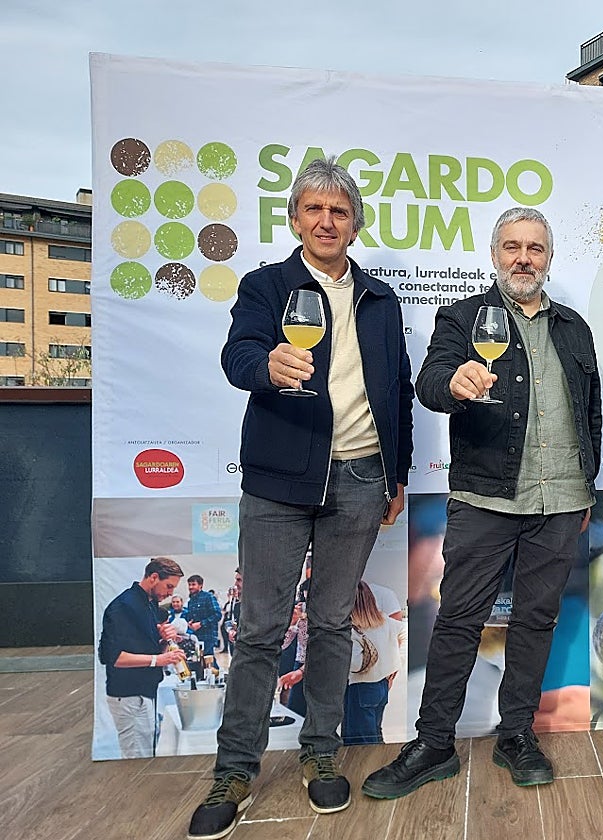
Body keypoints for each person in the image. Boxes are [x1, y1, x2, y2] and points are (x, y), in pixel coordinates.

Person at [187, 156, 415, 840]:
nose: (326, 220)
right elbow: (238, 357)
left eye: (338, 211)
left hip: (359, 479)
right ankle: (235, 769)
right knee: (259, 628)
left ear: (354, 224)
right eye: (313, 209)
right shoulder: (266, 287)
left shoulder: (380, 299)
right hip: (279, 484)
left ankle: (321, 754)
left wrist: (395, 474)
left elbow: (397, 390)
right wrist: (266, 368)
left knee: (331, 624)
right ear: (294, 220)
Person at [361, 207, 602, 800]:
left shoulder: (574, 327)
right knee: (460, 620)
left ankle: (515, 734)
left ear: (549, 258)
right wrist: (457, 382)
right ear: (494, 254)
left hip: (562, 499)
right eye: (512, 247)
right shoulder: (464, 317)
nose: (524, 258)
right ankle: (434, 742)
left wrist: (588, 481)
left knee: (535, 619)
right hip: (485, 498)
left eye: (535, 249)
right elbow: (431, 381)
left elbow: (591, 407)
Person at [97, 557, 187, 758]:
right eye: (169, 586)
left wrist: (164, 642)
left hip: (145, 692)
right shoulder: (123, 607)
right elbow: (114, 658)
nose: (171, 593)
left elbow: (149, 648)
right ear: (154, 577)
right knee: (136, 760)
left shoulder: (150, 605)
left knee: (146, 755)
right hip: (128, 694)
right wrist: (158, 660)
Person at [343, 580, 405, 745]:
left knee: (359, 742)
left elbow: (355, 665)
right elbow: (404, 634)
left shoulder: (352, 630)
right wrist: (395, 663)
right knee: (375, 733)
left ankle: (364, 770)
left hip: (360, 688)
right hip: (382, 686)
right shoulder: (384, 621)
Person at [185, 574, 222, 657]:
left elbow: (217, 614)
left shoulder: (208, 597)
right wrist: (189, 623)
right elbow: (191, 617)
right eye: (189, 585)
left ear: (200, 585)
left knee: (206, 658)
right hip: (196, 636)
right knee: (202, 661)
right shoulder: (191, 601)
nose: (191, 587)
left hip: (208, 635)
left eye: (193, 584)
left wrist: (201, 624)